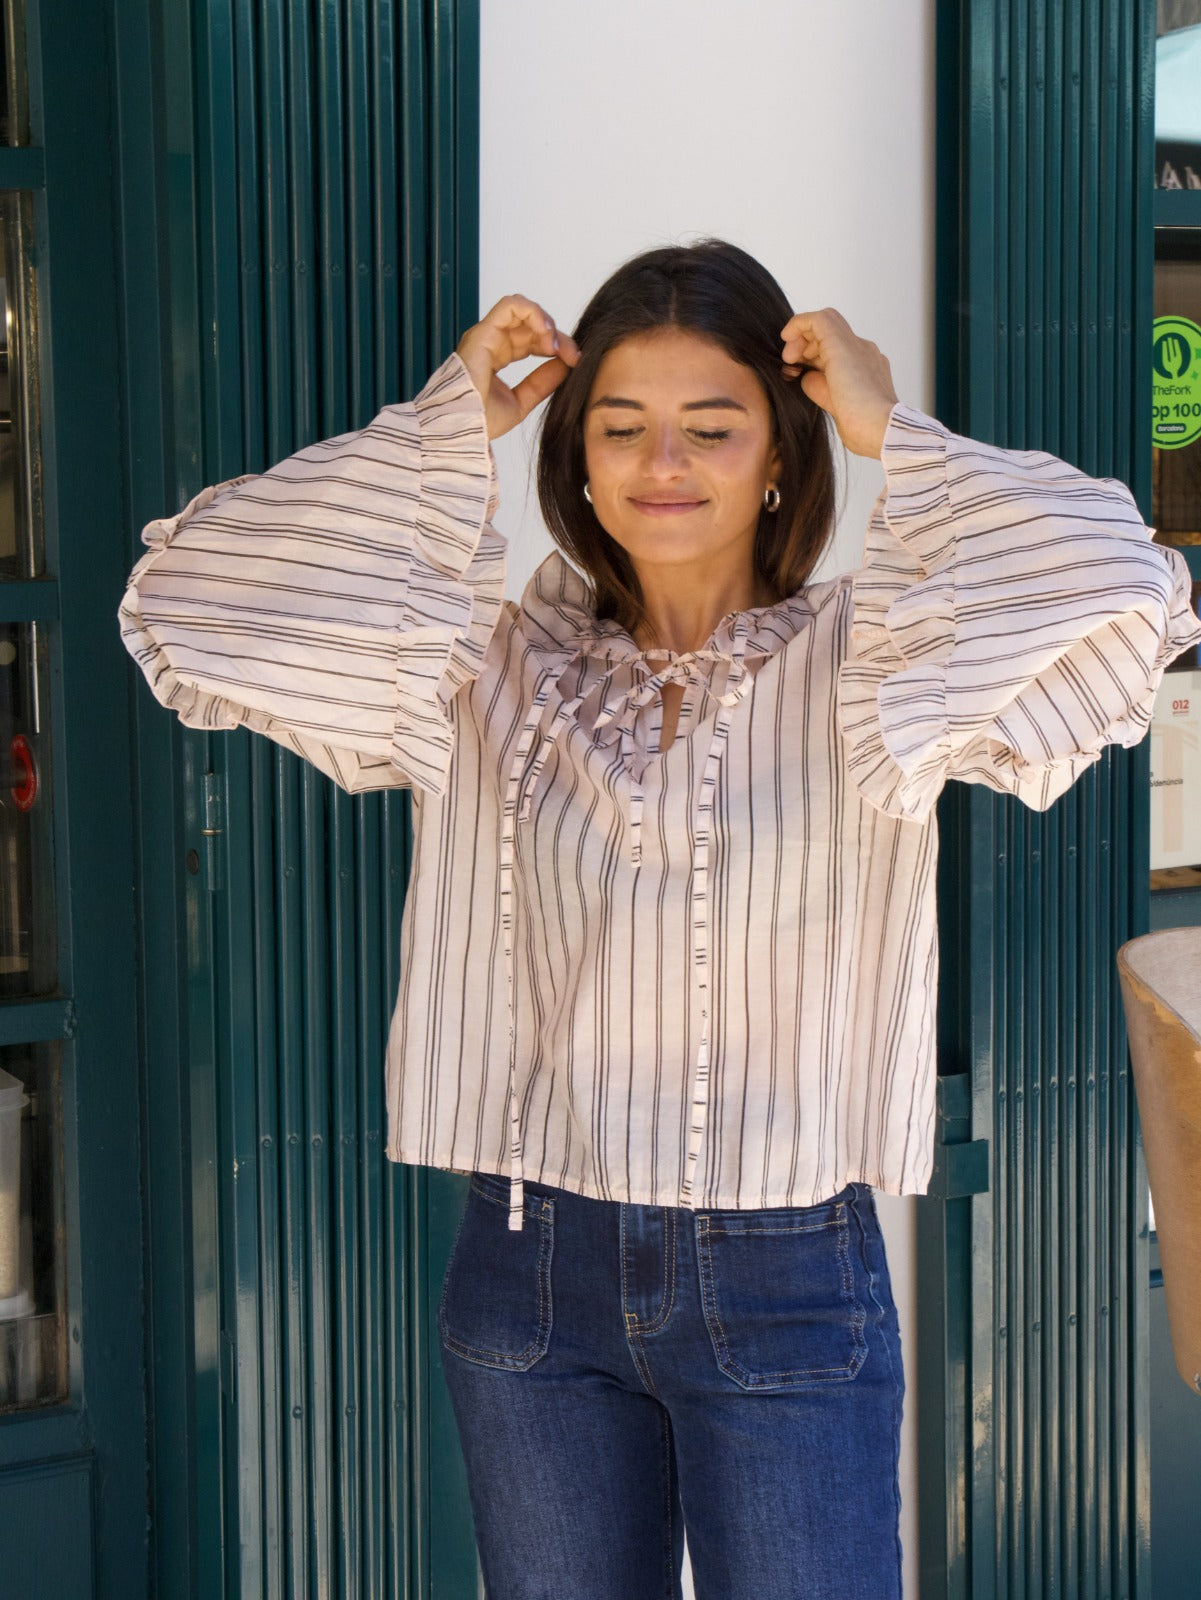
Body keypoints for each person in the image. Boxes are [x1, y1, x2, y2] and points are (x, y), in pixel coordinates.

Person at [120, 240, 1201, 1600]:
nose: (662, 463)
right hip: (528, 1271)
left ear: (781, 459)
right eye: (620, 427)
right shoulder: (485, 667)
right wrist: (439, 423)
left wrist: (886, 426)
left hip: (784, 1271)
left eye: (711, 426)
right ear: (573, 457)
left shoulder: (878, 666)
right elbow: (188, 599)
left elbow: (1127, 582)